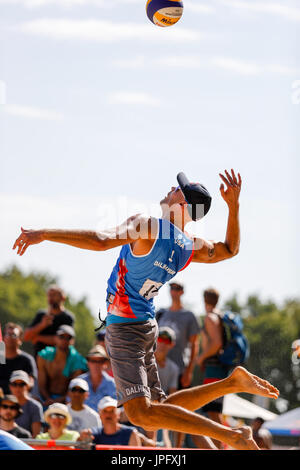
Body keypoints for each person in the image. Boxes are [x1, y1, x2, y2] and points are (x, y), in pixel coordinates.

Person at [13, 169, 280, 450]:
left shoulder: (147, 226)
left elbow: (101, 240)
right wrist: (234, 207)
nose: (170, 190)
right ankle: (230, 383)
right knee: (155, 415)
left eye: (177, 190)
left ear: (184, 206)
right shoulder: (189, 246)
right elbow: (230, 249)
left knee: (141, 414)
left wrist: (44, 233)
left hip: (125, 326)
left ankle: (232, 436)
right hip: (145, 326)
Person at [197, 287, 232, 448]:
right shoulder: (221, 316)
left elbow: (217, 344)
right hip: (221, 369)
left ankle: (220, 447)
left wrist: (201, 357)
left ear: (205, 300)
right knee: (215, 411)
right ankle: (221, 445)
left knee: (212, 412)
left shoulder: (210, 317)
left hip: (214, 369)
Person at [156, 282, 200, 389]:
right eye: (172, 288)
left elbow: (194, 344)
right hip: (158, 369)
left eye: (177, 288)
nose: (174, 291)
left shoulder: (189, 316)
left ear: (182, 292)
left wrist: (189, 371)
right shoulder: (161, 313)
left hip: (180, 369)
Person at [37, 325, 88, 407]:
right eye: (61, 337)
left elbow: (75, 389)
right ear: (55, 338)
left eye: (68, 338)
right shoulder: (44, 356)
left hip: (67, 402)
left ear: (73, 341)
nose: (64, 340)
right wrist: (48, 399)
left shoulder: (78, 361)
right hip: (45, 398)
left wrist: (55, 402)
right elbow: (41, 384)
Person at [24, 285, 75, 357]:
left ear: (62, 298)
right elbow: (26, 336)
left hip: (58, 361)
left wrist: (38, 338)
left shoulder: (67, 317)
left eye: (54, 295)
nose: (50, 298)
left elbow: (66, 342)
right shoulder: (41, 315)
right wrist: (42, 325)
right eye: (49, 295)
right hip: (38, 359)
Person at [0, 323, 37, 394]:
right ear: (3, 338)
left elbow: (31, 383)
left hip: (18, 398)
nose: (10, 337)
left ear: (20, 340)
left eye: (14, 335)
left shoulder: (27, 360)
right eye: (7, 334)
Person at [78, 345, 117, 412]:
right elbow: (70, 403)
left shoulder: (113, 384)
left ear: (105, 364)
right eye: (93, 361)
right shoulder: (79, 382)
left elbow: (117, 408)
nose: (96, 364)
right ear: (88, 362)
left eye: (100, 361)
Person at [9, 370, 43, 438]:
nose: (18, 387)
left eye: (22, 384)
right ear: (10, 386)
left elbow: (36, 435)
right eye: (14, 384)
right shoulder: (3, 404)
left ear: (28, 386)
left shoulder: (35, 406)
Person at [155, 326, 179, 396]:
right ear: (154, 340)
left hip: (161, 404)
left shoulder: (173, 368)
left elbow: (173, 394)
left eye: (167, 341)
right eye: (160, 339)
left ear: (172, 345)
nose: (163, 344)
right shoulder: (143, 362)